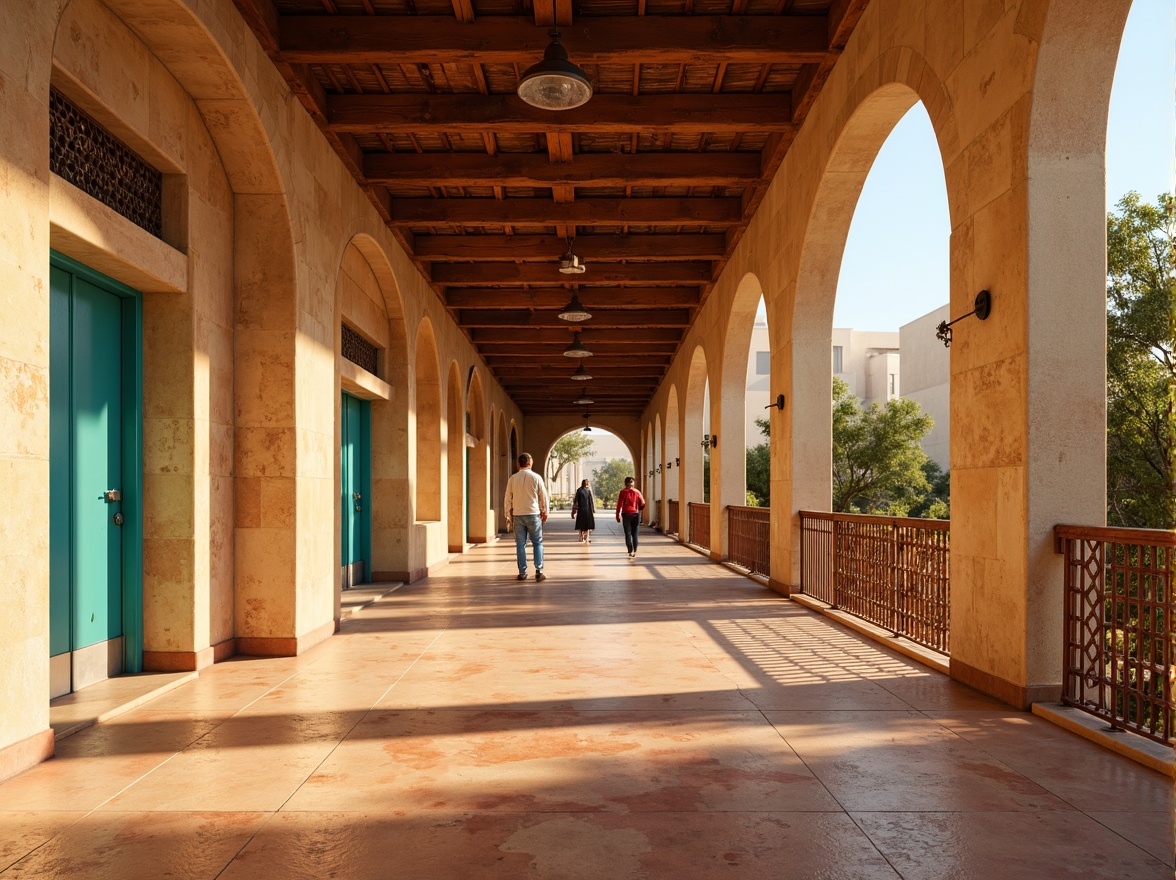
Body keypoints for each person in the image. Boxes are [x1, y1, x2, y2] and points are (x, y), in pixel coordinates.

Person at [503, 452, 549, 581]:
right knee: (537, 542)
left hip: (518, 515)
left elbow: (507, 498)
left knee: (520, 544)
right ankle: (539, 571)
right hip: (533, 514)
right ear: (530, 462)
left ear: (518, 464)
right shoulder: (536, 477)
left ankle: (522, 572)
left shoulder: (512, 478)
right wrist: (545, 512)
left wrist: (508, 515)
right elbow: (543, 496)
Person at [615, 476, 646, 558]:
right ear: (633, 483)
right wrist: (639, 509)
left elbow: (619, 505)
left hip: (626, 514)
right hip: (636, 514)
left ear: (625, 483)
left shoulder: (623, 492)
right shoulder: (637, 492)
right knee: (635, 533)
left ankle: (630, 550)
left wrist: (617, 515)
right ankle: (635, 550)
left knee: (628, 533)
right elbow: (643, 503)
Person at [571, 479, 596, 543]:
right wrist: (593, 509)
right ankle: (586, 537)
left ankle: (581, 536)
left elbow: (576, 500)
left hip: (581, 509)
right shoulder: (588, 491)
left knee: (581, 524)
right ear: (587, 484)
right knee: (587, 524)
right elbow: (590, 501)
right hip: (588, 510)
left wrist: (574, 509)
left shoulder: (579, 490)